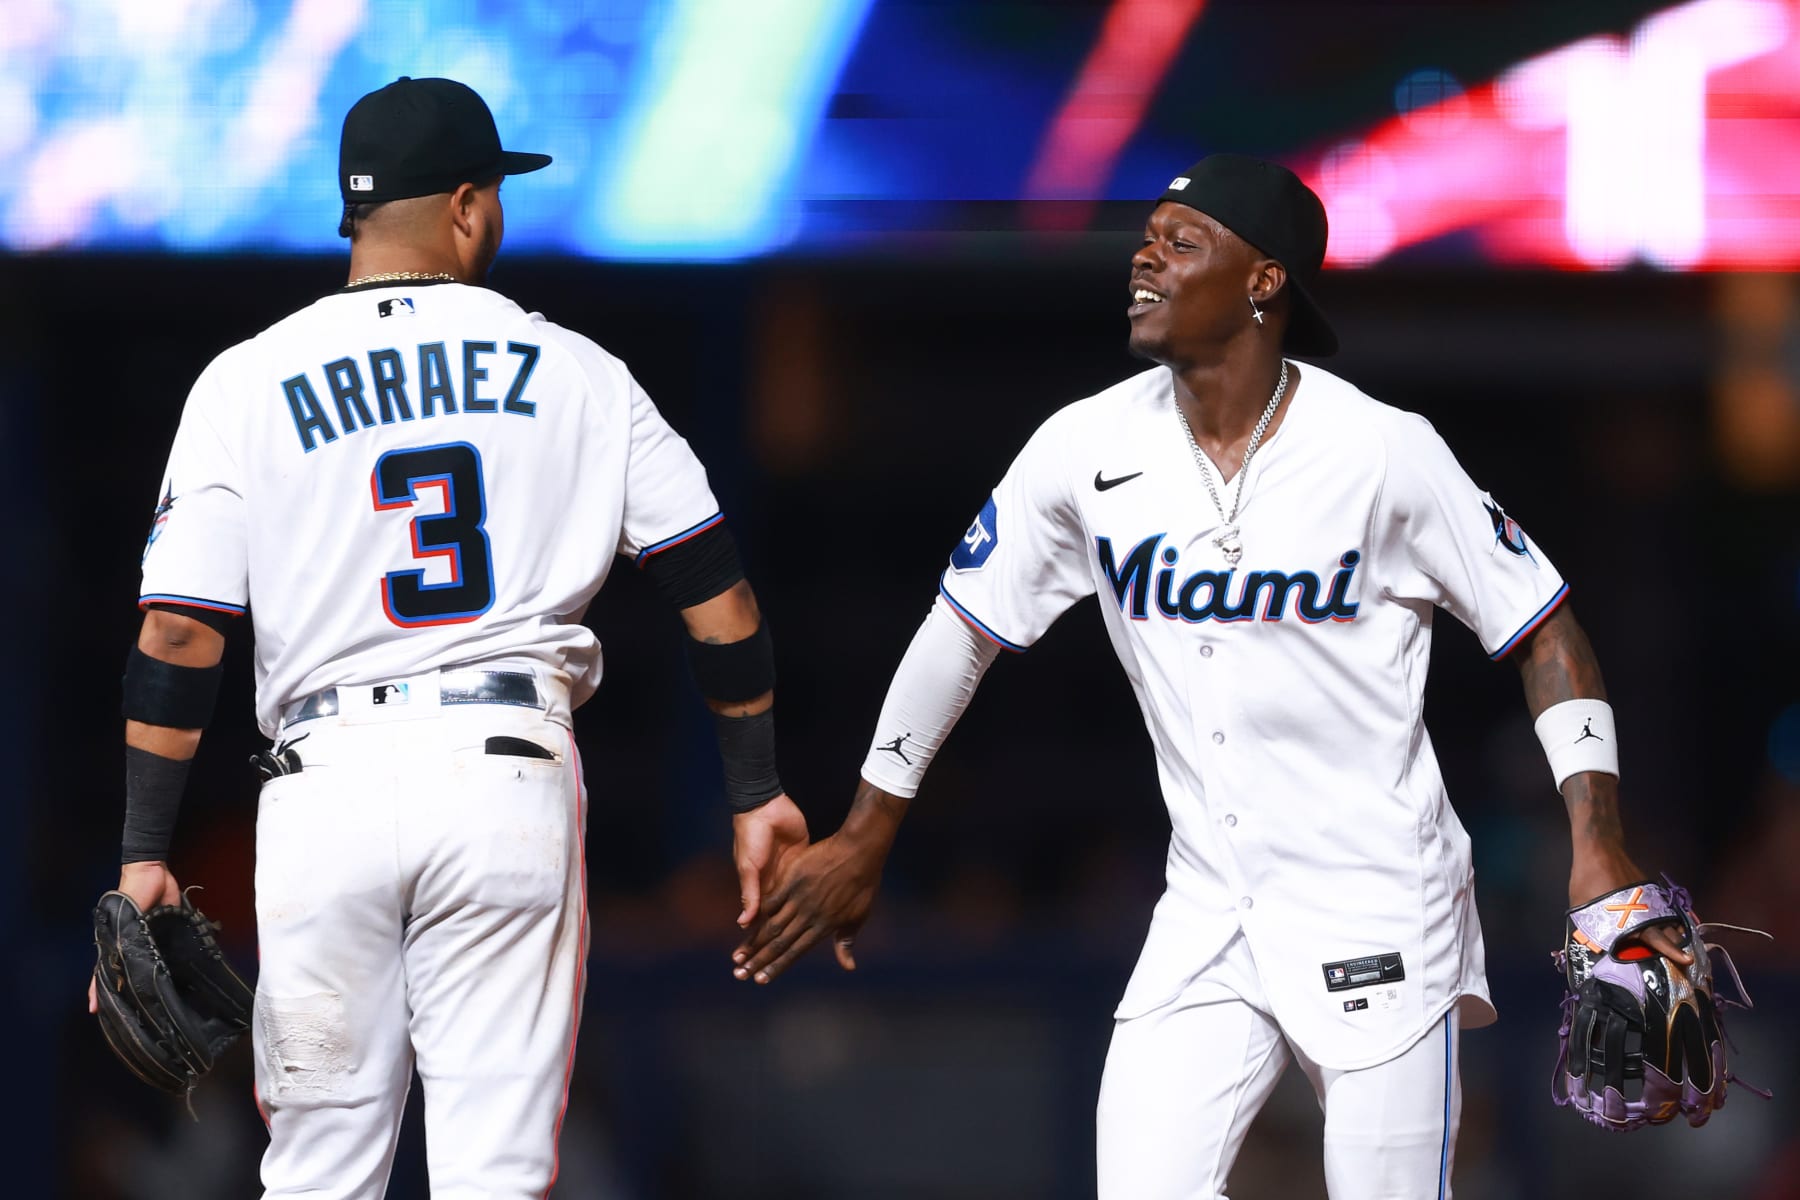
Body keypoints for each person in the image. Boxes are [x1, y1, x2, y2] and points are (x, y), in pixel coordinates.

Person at [732, 154, 1688, 1199]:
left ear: (1264, 281)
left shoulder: (1381, 452)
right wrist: (871, 828)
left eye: (1182, 243)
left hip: (1380, 907)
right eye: (1147, 236)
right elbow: (959, 632)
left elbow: (1547, 629)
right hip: (1211, 907)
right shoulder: (1083, 446)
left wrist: (1597, 842)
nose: (1146, 255)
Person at [92, 76, 808, 1198]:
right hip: (502, 783)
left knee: (321, 1170)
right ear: (468, 208)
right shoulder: (578, 371)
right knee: (497, 1175)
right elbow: (721, 601)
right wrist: (756, 791)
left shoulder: (243, 381)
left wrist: (144, 855)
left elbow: (180, 633)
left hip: (322, 798)